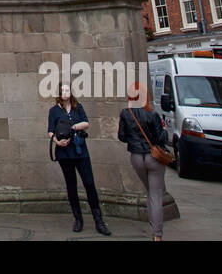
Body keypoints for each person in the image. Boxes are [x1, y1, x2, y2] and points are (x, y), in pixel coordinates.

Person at [48, 83, 109, 234]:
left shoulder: (77, 107)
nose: (65, 93)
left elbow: (86, 123)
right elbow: (50, 131)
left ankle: (98, 220)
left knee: (89, 183)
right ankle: (78, 219)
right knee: (71, 185)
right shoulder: (54, 111)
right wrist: (57, 141)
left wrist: (72, 127)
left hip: (79, 150)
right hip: (64, 152)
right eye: (63, 90)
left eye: (67, 90)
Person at [118, 81, 166, 240]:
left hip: (136, 157)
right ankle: (157, 234)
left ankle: (154, 224)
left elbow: (122, 137)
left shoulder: (126, 113)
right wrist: (164, 129)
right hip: (153, 158)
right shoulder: (152, 114)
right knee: (156, 194)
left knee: (150, 192)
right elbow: (160, 138)